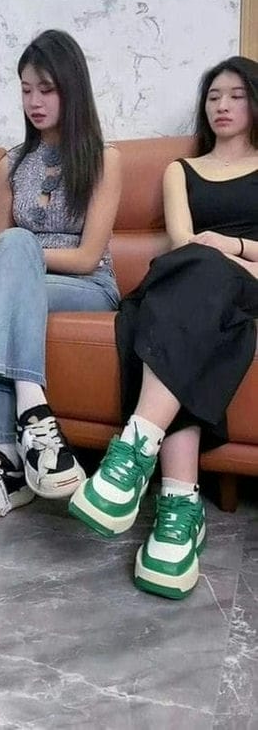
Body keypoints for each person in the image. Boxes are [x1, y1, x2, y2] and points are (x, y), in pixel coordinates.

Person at [69, 56, 258, 599]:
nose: (222, 106)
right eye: (213, 96)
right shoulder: (181, 170)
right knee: (167, 307)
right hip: (196, 283)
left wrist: (232, 247)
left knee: (174, 304)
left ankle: (134, 451)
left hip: (249, 281)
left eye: (236, 95)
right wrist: (211, 256)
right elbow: (183, 244)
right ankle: (179, 502)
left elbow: (208, 251)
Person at [0, 29, 122, 526]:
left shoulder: (105, 159)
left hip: (87, 286)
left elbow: (87, 258)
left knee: (15, 248)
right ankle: (27, 432)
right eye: (26, 90)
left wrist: (9, 250)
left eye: (46, 89)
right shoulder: (11, 163)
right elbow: (3, 249)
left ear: (72, 88)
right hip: (19, 285)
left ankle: (5, 455)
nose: (34, 102)